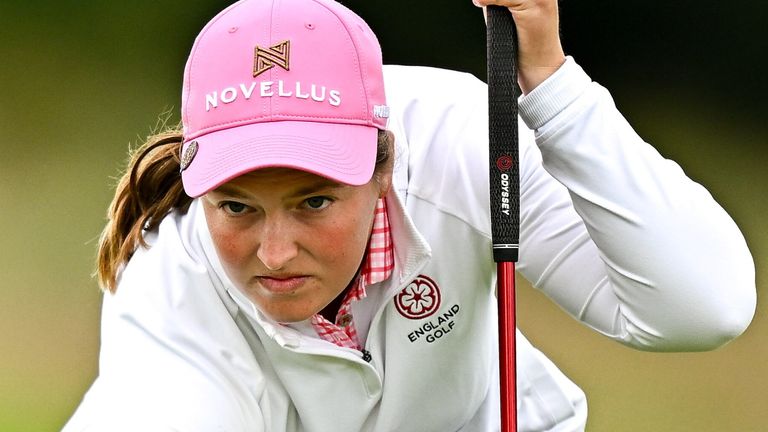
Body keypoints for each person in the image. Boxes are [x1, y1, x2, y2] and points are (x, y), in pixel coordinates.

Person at [63, 0, 756, 430]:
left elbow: (700, 307)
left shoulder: (463, 140)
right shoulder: (171, 289)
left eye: (314, 201)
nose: (274, 254)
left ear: (384, 166)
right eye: (237, 206)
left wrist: (553, 87)